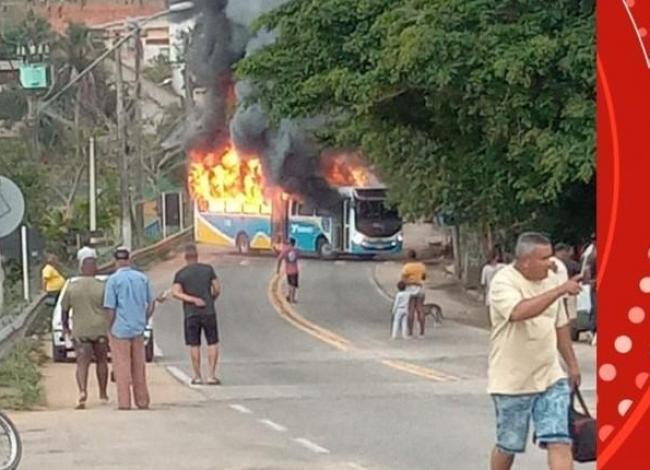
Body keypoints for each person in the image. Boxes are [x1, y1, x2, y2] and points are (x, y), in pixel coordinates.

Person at [488, 232, 582, 470]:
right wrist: (559, 291)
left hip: (550, 377)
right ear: (525, 261)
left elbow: (560, 325)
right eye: (544, 258)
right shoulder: (503, 282)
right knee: (508, 445)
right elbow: (519, 312)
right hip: (513, 381)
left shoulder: (551, 279)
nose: (551, 263)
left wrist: (571, 365)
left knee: (559, 440)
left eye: (550, 256)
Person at [103, 247, 155, 410]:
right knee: (139, 365)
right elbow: (151, 303)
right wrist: (144, 318)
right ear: (129, 260)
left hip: (120, 329)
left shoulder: (113, 280)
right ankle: (142, 401)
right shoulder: (142, 278)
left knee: (122, 366)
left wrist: (109, 326)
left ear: (116, 261)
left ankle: (124, 402)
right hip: (138, 328)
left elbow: (110, 307)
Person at [60, 247, 110, 409]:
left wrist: (66, 328)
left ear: (81, 268)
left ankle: (82, 391)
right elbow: (110, 308)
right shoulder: (103, 286)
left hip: (81, 331)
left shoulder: (72, 287)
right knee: (102, 361)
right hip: (100, 330)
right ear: (95, 268)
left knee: (82, 363)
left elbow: (64, 310)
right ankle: (103, 393)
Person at [172, 244, 222, 385]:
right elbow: (217, 288)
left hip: (191, 313)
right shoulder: (208, 270)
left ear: (185, 257)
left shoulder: (181, 274)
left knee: (194, 344)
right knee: (212, 342)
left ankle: (197, 376)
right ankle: (211, 375)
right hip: (208, 311)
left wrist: (192, 300)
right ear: (197, 256)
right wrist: (211, 299)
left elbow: (176, 293)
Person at [401, 250, 427, 337]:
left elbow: (403, 280)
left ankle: (410, 332)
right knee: (420, 309)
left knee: (411, 309)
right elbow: (424, 277)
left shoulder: (406, 267)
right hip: (420, 288)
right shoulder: (422, 266)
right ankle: (422, 332)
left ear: (408, 257)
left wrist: (411, 282)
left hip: (410, 289)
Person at [481, 252, 506, 325]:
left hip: (490, 292)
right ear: (497, 257)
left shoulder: (485, 269)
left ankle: (492, 325)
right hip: (500, 291)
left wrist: (483, 294)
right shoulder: (502, 266)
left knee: (490, 311)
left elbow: (483, 283)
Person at [276, 238, 299, 303]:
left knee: (290, 284)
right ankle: (292, 298)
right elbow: (297, 257)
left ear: (289, 243)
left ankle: (290, 297)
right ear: (294, 244)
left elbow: (279, 259)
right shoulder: (296, 250)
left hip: (288, 270)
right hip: (295, 270)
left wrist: (278, 269)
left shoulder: (286, 250)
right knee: (294, 285)